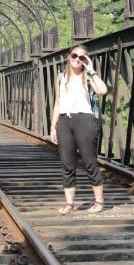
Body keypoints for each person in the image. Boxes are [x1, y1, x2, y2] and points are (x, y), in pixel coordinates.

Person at [49, 44, 108, 214]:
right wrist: (53, 126)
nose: (77, 59)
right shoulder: (60, 77)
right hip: (64, 121)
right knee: (67, 163)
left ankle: (99, 201)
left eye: (81, 57)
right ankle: (69, 204)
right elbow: (57, 103)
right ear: (69, 57)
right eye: (74, 56)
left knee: (89, 162)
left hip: (85, 120)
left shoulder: (88, 76)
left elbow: (103, 90)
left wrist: (91, 70)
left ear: (85, 60)